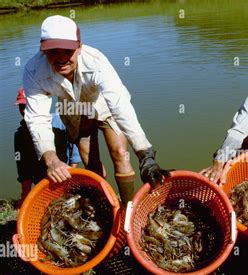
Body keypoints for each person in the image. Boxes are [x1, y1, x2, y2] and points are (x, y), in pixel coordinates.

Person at [23, 15, 170, 205]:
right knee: (89, 161)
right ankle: (107, 204)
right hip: (72, 109)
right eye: (53, 52)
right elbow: (37, 118)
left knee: (119, 153)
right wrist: (51, 159)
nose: (61, 59)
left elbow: (120, 106)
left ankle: (128, 209)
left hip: (104, 104)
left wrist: (145, 155)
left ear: (79, 47)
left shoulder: (96, 62)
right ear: (42, 50)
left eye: (67, 51)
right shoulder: (33, 71)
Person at [14, 87, 81, 208]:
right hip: (42, 181)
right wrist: (25, 195)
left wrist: (72, 170)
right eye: (21, 106)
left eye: (28, 106)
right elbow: (22, 167)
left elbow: (74, 147)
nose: (24, 111)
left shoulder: (60, 120)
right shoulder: (19, 135)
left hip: (65, 172)